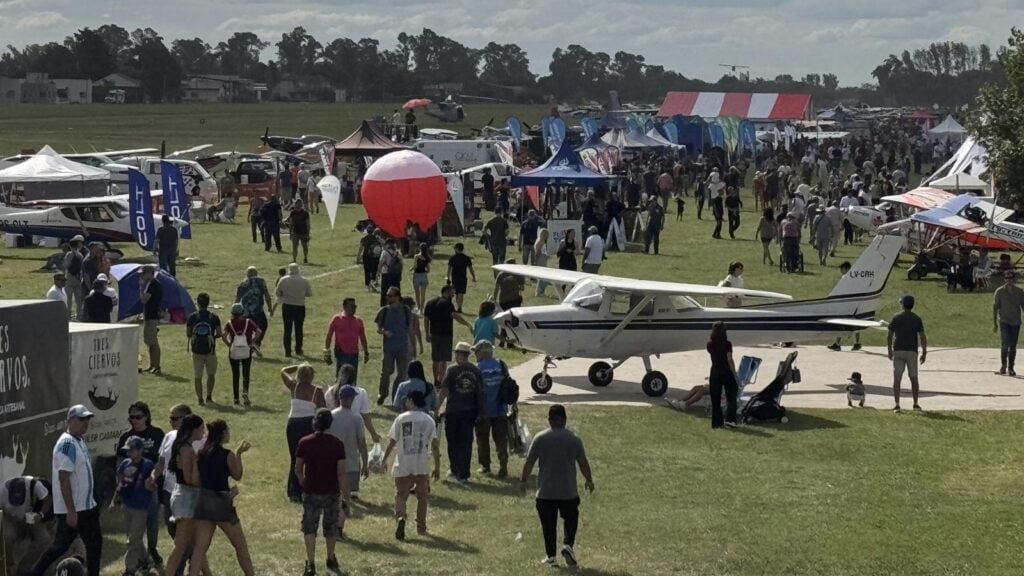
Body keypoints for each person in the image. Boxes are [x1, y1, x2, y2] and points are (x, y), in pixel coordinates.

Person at [519, 404, 594, 568]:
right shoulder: (574, 439)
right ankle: (568, 544)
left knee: (548, 525)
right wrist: (589, 480)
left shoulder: (540, 438)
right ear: (564, 420)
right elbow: (583, 463)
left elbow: (529, 462)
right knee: (570, 519)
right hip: (568, 491)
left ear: (549, 420)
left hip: (545, 492)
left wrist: (523, 480)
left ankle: (551, 556)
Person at [33, 405, 103, 576]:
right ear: (70, 421)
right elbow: (63, 478)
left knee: (94, 545)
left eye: (87, 419)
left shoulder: (78, 440)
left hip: (86, 506)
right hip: (75, 509)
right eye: (81, 419)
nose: (85, 423)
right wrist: (71, 511)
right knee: (60, 546)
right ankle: (35, 573)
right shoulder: (66, 444)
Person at [190, 420, 254, 576]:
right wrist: (238, 453)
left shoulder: (200, 454)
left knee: (199, 549)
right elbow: (237, 475)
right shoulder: (227, 455)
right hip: (222, 504)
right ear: (223, 433)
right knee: (240, 546)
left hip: (203, 503)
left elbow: (195, 480)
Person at [382, 391, 440, 540]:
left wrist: (384, 459)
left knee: (401, 495)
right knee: (422, 497)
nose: (406, 403)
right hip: (421, 465)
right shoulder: (429, 420)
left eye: (407, 400)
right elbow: (434, 446)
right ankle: (421, 527)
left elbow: (392, 441)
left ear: (411, 401)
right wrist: (437, 466)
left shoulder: (401, 418)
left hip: (403, 464)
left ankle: (401, 517)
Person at [295, 409, 346, 576]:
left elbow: (298, 468)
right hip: (331, 491)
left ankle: (311, 563)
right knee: (330, 527)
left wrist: (303, 481)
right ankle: (330, 557)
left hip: (311, 490)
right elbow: (341, 473)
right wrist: (345, 495)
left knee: (310, 527)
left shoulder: (304, 442)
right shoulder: (337, 444)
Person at [115, 402, 165, 568]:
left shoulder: (157, 434)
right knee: (132, 529)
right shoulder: (125, 438)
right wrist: (120, 489)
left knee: (151, 522)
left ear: (147, 417)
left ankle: (152, 549)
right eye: (132, 417)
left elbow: (162, 460)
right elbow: (120, 466)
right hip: (132, 491)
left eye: (138, 417)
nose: (135, 420)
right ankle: (142, 558)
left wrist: (155, 478)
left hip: (151, 488)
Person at [434, 341, 484, 482]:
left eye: (456, 353)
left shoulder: (452, 370)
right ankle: (464, 473)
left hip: (453, 411)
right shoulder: (476, 371)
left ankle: (454, 468)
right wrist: (480, 412)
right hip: (469, 412)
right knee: (466, 442)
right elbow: (480, 393)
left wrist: (437, 408)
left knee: (453, 441)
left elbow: (444, 391)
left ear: (459, 354)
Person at [162, 413, 205, 576]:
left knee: (197, 544)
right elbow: (189, 479)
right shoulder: (186, 449)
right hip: (186, 497)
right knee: (181, 546)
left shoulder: (183, 446)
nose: (203, 431)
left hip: (184, 496)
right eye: (201, 428)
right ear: (193, 429)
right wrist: (197, 462)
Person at [282, 364, 327, 502]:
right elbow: (322, 410)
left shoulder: (294, 386)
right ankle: (307, 488)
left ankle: (293, 491)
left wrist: (297, 366)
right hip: (308, 424)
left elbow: (283, 371)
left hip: (293, 424)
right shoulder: (317, 391)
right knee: (309, 459)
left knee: (295, 458)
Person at [113, 436, 157, 576]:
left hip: (141, 507)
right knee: (133, 537)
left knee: (132, 539)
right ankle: (145, 560)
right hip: (127, 505)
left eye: (131, 450)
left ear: (140, 450)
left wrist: (151, 484)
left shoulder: (148, 465)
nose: (128, 453)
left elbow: (155, 483)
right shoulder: (125, 463)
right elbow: (120, 483)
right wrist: (115, 500)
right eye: (127, 450)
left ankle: (130, 569)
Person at [327, 385, 369, 531]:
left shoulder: (330, 416)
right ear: (350, 399)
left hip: (331, 462)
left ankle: (332, 522)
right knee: (345, 497)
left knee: (333, 495)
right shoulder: (357, 418)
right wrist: (365, 463)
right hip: (350, 463)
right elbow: (362, 443)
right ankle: (339, 525)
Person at [473, 340, 509, 477]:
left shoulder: (478, 368)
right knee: (501, 439)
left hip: (483, 411)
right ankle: (503, 464)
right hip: (501, 409)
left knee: (482, 439)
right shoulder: (501, 364)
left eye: (476, 351)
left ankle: (485, 465)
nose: (475, 354)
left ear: (482, 352)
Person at [1, 476, 51, 576]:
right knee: (8, 536)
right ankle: (8, 567)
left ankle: (24, 568)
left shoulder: (34, 484)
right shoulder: (2, 491)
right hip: (9, 518)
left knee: (44, 538)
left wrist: (40, 515)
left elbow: (47, 500)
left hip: (30, 517)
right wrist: (8, 519)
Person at [423, 284, 472, 385]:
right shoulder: (448, 304)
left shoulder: (430, 303)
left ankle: (435, 380)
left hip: (434, 334)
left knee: (435, 359)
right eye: (452, 293)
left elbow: (426, 319)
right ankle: (441, 381)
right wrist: (467, 324)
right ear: (446, 291)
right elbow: (455, 316)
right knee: (443, 359)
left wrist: (427, 333)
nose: (453, 295)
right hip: (446, 335)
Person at [887, 294, 927, 413]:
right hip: (912, 351)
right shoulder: (916, 318)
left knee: (897, 378)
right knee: (914, 378)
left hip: (898, 350)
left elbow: (889, 335)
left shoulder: (896, 317)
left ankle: (897, 404)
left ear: (903, 304)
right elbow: (922, 336)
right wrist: (924, 352)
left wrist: (889, 349)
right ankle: (915, 403)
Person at [325, 365, 382, 445]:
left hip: (334, 431)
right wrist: (373, 434)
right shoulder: (361, 393)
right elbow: (365, 417)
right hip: (353, 432)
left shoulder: (329, 392)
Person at [375, 287, 413, 404]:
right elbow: (378, 328)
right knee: (386, 372)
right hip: (389, 348)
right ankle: (383, 393)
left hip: (403, 347)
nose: (388, 298)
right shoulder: (384, 311)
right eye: (387, 295)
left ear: (397, 297)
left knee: (402, 374)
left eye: (390, 296)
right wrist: (384, 332)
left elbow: (410, 329)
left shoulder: (406, 310)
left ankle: (395, 397)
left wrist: (413, 346)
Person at [186, 293, 222, 405]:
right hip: (210, 350)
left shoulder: (192, 317)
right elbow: (220, 333)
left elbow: (188, 333)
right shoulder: (214, 317)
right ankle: (209, 396)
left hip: (196, 351)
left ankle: (200, 399)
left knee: (198, 376)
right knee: (211, 374)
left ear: (198, 303)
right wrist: (212, 338)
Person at [326, 298, 370, 380]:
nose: (354, 308)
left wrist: (366, 352)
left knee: (352, 378)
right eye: (352, 306)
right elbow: (329, 336)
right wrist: (327, 352)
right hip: (341, 353)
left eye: (355, 306)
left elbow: (363, 338)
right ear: (345, 307)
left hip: (354, 354)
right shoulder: (337, 319)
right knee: (340, 377)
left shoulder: (358, 321)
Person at [707, 321, 740, 428]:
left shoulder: (710, 344)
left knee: (715, 398)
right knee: (731, 396)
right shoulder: (727, 344)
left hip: (715, 370)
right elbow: (729, 359)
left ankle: (717, 422)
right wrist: (735, 374)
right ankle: (730, 420)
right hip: (726, 371)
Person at [276, 263, 313, 358]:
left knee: (287, 329)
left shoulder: (283, 280)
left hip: (287, 306)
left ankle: (287, 351)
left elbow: (278, 293)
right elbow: (309, 293)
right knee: (299, 329)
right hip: (299, 306)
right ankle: (298, 349)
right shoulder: (304, 280)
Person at [236, 266, 273, 356]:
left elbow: (237, 298)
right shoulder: (261, 281)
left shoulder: (242, 283)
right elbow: (266, 295)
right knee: (263, 326)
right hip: (258, 310)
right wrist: (270, 307)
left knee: (247, 330)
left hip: (245, 311)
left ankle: (249, 345)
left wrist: (235, 312)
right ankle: (256, 343)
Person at [993, 271, 1024, 375]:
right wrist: (995, 323)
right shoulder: (999, 291)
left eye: (1010, 278)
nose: (1009, 280)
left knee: (1013, 346)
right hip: (1004, 321)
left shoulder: (1019, 291)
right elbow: (995, 307)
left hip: (1015, 322)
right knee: (1005, 344)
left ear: (1013, 279)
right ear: (1004, 279)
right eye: (1006, 278)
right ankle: (1003, 366)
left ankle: (1011, 367)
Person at [828, 262, 862, 352]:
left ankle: (838, 344)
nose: (840, 271)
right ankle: (855, 343)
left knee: (842, 323)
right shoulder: (856, 277)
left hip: (846, 304)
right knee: (855, 323)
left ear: (846, 268)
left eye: (841, 269)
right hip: (853, 303)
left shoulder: (846, 277)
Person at [138, 265, 164, 373]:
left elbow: (144, 299)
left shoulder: (154, 285)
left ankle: (156, 366)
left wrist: (140, 288)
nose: (142, 276)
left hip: (152, 316)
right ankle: (152, 364)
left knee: (153, 342)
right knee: (149, 341)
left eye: (143, 273)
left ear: (149, 273)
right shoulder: (149, 284)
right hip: (149, 315)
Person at [446, 242, 475, 313]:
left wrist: (448, 278)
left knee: (456, 292)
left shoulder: (452, 258)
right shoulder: (466, 258)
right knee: (461, 293)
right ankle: (459, 307)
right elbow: (470, 268)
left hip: (455, 278)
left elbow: (449, 269)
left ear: (457, 249)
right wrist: (473, 276)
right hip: (463, 278)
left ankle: (458, 306)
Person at [64, 235, 86, 318]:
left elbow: (66, 265)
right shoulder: (80, 255)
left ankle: (68, 315)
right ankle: (79, 315)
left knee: (68, 299)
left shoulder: (69, 254)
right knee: (79, 299)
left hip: (69, 278)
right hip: (78, 278)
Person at [377, 239, 404, 308]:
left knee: (385, 292)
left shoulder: (385, 253)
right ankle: (397, 304)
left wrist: (378, 273)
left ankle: (384, 306)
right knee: (396, 291)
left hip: (386, 274)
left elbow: (381, 264)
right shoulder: (398, 253)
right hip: (396, 274)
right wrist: (400, 274)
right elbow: (401, 264)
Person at [357, 227, 383, 292]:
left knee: (367, 271)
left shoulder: (364, 239)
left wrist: (358, 258)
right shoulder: (376, 239)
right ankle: (373, 282)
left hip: (366, 256)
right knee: (374, 270)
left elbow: (360, 249)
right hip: (374, 256)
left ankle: (368, 284)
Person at [287, 199, 312, 263]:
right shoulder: (293, 213)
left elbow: (308, 224)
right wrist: (290, 233)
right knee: (294, 247)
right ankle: (294, 259)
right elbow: (291, 223)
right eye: (296, 203)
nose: (297, 205)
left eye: (299, 203)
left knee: (305, 246)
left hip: (303, 232)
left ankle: (305, 257)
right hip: (295, 232)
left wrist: (308, 233)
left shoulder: (305, 213)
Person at [411, 242, 431, 312]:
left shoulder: (416, 256)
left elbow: (415, 266)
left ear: (419, 248)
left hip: (416, 275)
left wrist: (411, 268)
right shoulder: (427, 258)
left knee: (417, 294)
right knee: (423, 294)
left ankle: (418, 308)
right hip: (424, 276)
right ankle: (422, 309)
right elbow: (428, 270)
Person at [534, 229, 551, 296]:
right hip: (541, 259)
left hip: (543, 258)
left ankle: (541, 291)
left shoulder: (542, 242)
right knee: (541, 276)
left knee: (543, 276)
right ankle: (539, 292)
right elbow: (538, 252)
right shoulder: (540, 242)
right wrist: (538, 259)